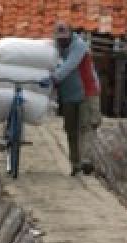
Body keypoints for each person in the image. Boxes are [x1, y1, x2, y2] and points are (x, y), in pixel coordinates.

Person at [50, 22, 101, 177]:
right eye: (59, 39)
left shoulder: (79, 46)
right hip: (68, 95)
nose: (62, 41)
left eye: (64, 38)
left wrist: (53, 78)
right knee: (71, 130)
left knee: (86, 127)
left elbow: (69, 66)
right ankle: (76, 164)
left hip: (87, 92)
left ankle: (86, 160)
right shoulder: (55, 48)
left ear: (71, 35)